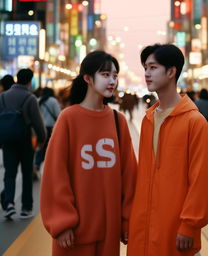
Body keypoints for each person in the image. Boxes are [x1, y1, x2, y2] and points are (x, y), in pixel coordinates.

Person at [40, 51, 137, 256]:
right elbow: (55, 174)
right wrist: (62, 222)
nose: (112, 81)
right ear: (87, 78)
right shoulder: (69, 118)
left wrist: (127, 220)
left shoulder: (117, 121)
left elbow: (129, 177)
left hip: (108, 233)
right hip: (73, 235)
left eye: (114, 75)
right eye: (105, 74)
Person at [127, 44, 208, 256]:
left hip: (176, 230)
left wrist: (189, 225)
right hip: (143, 228)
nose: (147, 74)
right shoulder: (149, 119)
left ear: (171, 72)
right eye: (145, 68)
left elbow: (203, 180)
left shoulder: (195, 123)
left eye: (152, 67)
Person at [0, 68, 46, 219]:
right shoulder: (30, 98)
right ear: (29, 81)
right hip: (25, 140)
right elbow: (38, 123)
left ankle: (9, 204)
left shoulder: (3, 97)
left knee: (9, 173)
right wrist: (42, 138)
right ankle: (26, 208)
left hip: (7, 141)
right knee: (27, 173)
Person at [33, 87, 61, 180]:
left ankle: (36, 165)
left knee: (40, 147)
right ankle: (50, 170)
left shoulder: (38, 100)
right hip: (50, 128)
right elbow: (58, 114)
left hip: (39, 128)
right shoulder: (53, 101)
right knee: (50, 149)